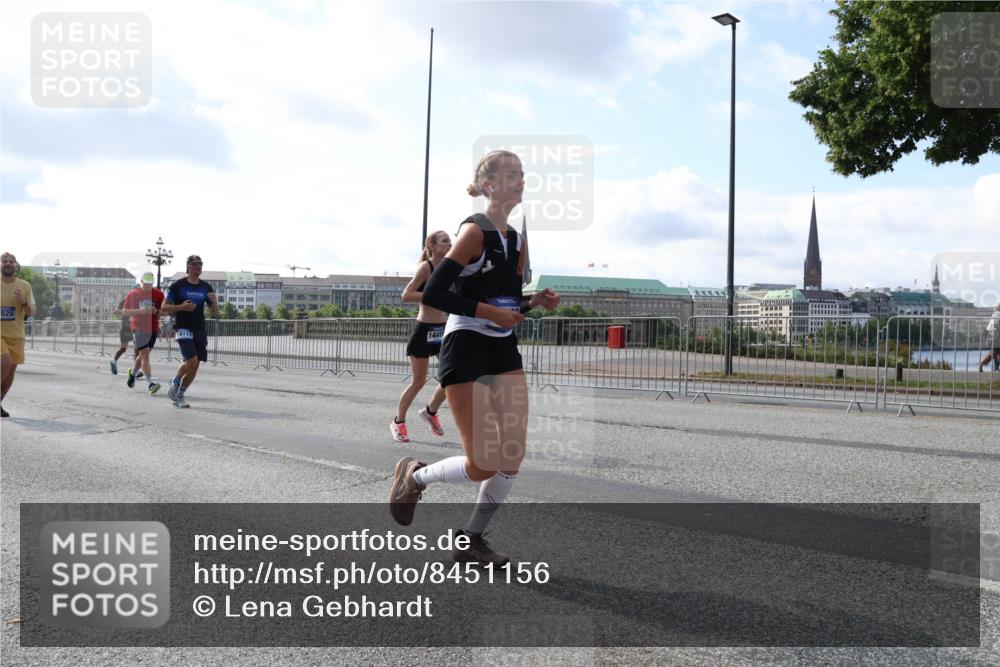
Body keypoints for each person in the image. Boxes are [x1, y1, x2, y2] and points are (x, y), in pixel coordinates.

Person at [388, 150, 559, 565]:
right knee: (483, 463)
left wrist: (533, 301)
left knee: (512, 454)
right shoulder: (474, 233)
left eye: (522, 175)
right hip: (465, 344)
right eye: (512, 175)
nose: (521, 181)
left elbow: (504, 299)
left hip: (501, 347)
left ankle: (470, 541)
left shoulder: (516, 240)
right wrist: (489, 312)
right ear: (489, 186)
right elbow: (435, 292)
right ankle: (415, 475)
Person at [392, 231, 452, 443]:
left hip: (442, 330)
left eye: (450, 241)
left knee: (452, 375)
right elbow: (406, 295)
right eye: (445, 241)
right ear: (431, 245)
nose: (449, 244)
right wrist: (434, 295)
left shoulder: (449, 268)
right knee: (419, 381)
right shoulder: (426, 267)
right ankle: (398, 421)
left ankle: (430, 411)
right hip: (423, 329)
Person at [161, 255, 219, 407]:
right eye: (194, 264)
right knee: (191, 360)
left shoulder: (206, 287)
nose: (198, 266)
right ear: (188, 266)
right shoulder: (178, 286)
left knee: (196, 364)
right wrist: (181, 307)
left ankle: (179, 394)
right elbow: (164, 308)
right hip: (183, 327)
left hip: (199, 328)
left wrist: (214, 301)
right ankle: (175, 381)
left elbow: (214, 313)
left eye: (200, 263)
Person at [1, 252, 36, 418]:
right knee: (4, 361)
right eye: (4, 261)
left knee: (9, 375)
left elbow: (32, 311)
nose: (8, 263)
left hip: (16, 335)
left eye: (11, 261)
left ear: (15, 265)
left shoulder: (24, 286)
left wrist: (22, 300)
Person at [121, 272, 165, 394]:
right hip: (138, 327)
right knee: (145, 355)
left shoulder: (159, 294)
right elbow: (124, 312)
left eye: (150, 284)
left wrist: (156, 311)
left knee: (142, 356)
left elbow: (164, 311)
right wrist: (141, 311)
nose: (148, 287)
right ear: (141, 281)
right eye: (146, 284)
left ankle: (133, 374)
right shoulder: (133, 294)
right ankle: (150, 384)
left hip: (152, 329)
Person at [109, 290, 136, 375]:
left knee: (137, 349)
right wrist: (116, 311)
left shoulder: (139, 301)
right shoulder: (125, 300)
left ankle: (136, 370)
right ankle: (114, 361)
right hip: (126, 329)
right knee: (123, 349)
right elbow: (116, 311)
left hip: (135, 328)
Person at [978, 302, 1000, 372]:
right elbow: (994, 325)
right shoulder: (997, 314)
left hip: (996, 335)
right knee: (994, 352)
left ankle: (996, 368)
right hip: (996, 336)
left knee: (997, 352)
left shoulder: (997, 314)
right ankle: (981, 364)